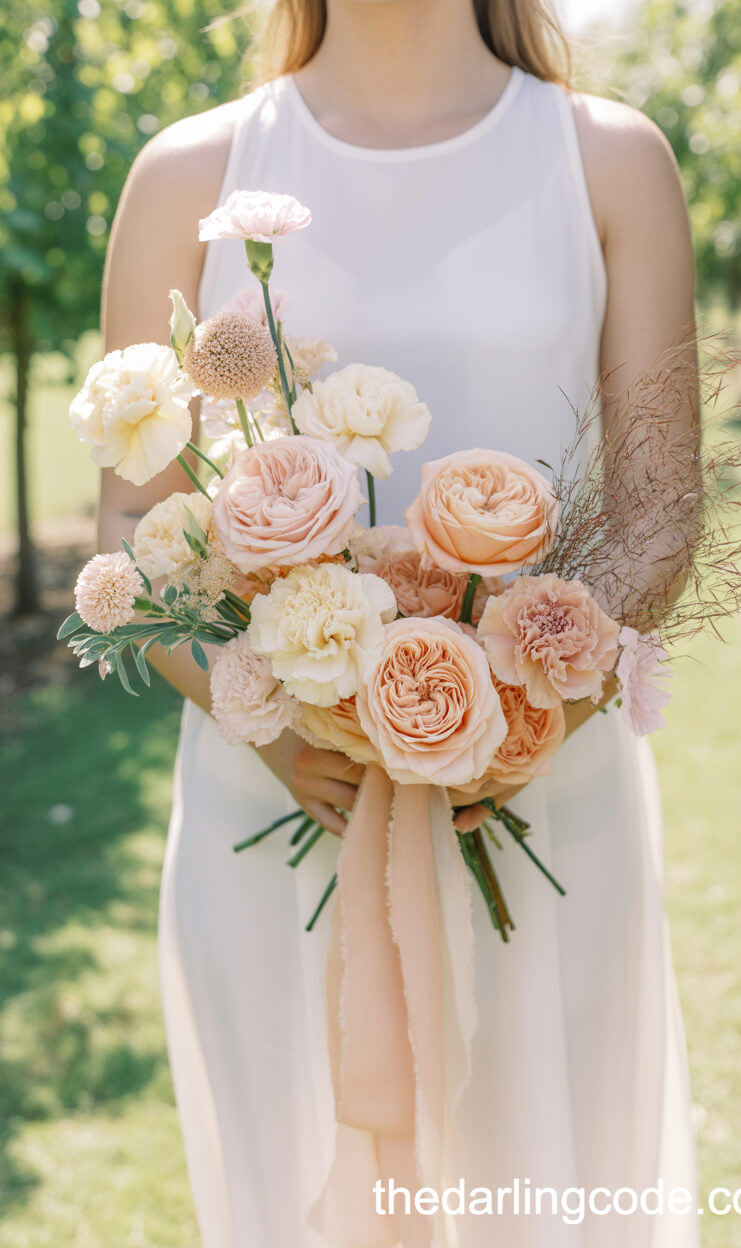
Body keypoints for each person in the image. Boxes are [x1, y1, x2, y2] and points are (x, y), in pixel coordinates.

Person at [98, 1, 700, 1244]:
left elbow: (660, 513)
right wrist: (274, 720)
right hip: (276, 814)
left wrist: (526, 716)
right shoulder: (190, 172)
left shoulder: (608, 158)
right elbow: (134, 532)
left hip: (545, 807)